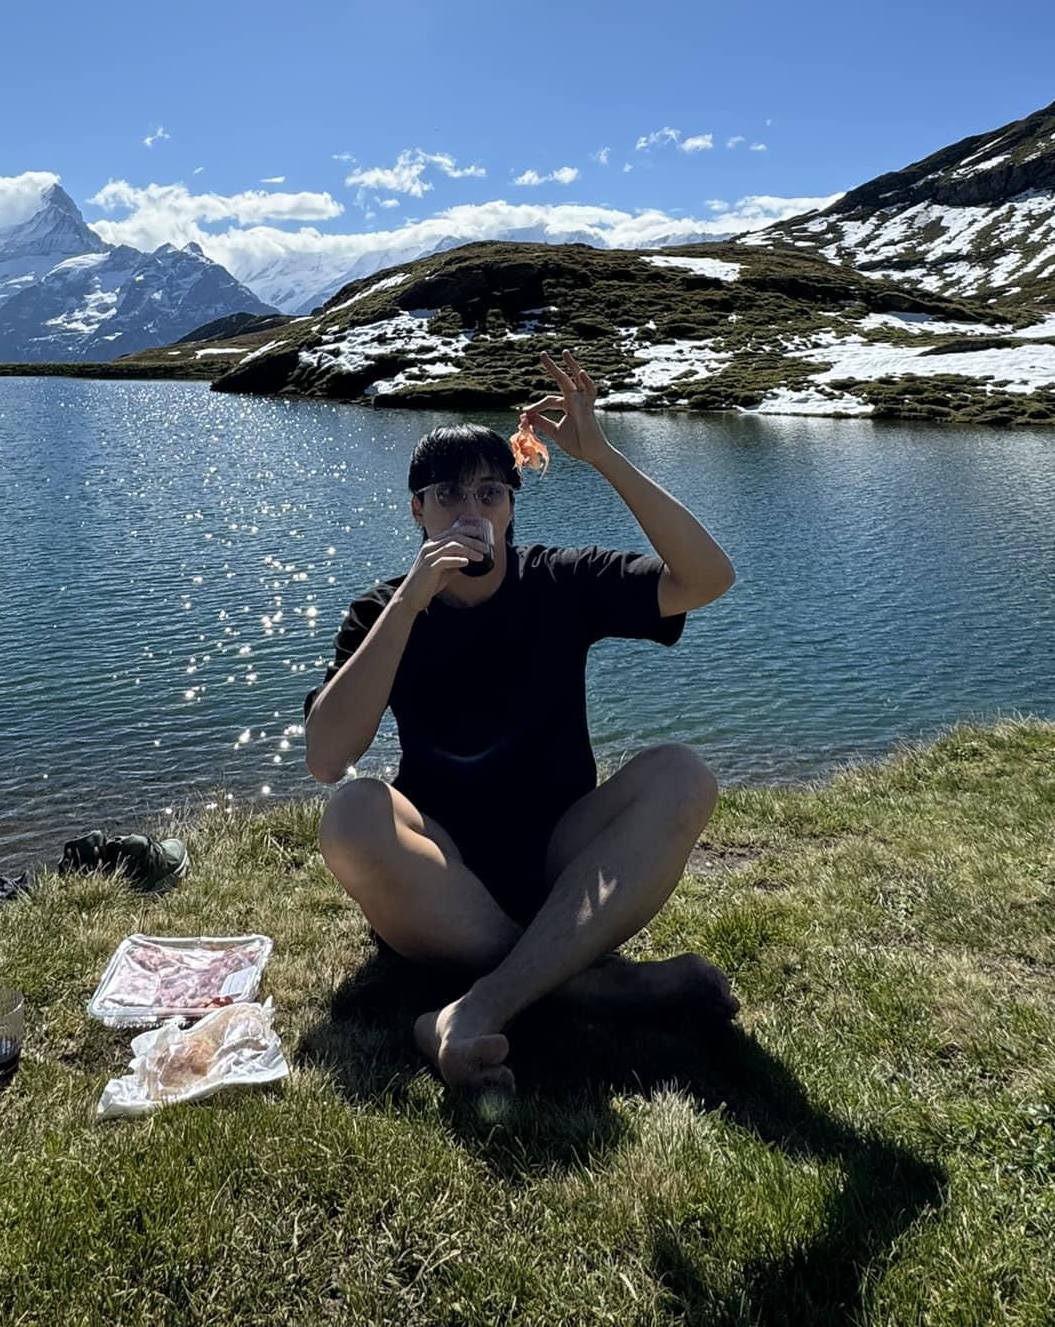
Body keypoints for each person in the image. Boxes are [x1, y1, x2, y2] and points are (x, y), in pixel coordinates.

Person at [303, 348, 739, 1093]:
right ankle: (595, 984)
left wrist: (601, 456)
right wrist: (411, 603)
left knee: (681, 774)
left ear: (511, 505)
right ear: (417, 511)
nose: (470, 513)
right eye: (447, 495)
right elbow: (326, 756)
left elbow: (708, 578)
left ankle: (480, 1005)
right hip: (439, 883)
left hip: (559, 859)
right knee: (350, 813)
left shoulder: (558, 580)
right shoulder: (383, 611)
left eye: (489, 493)